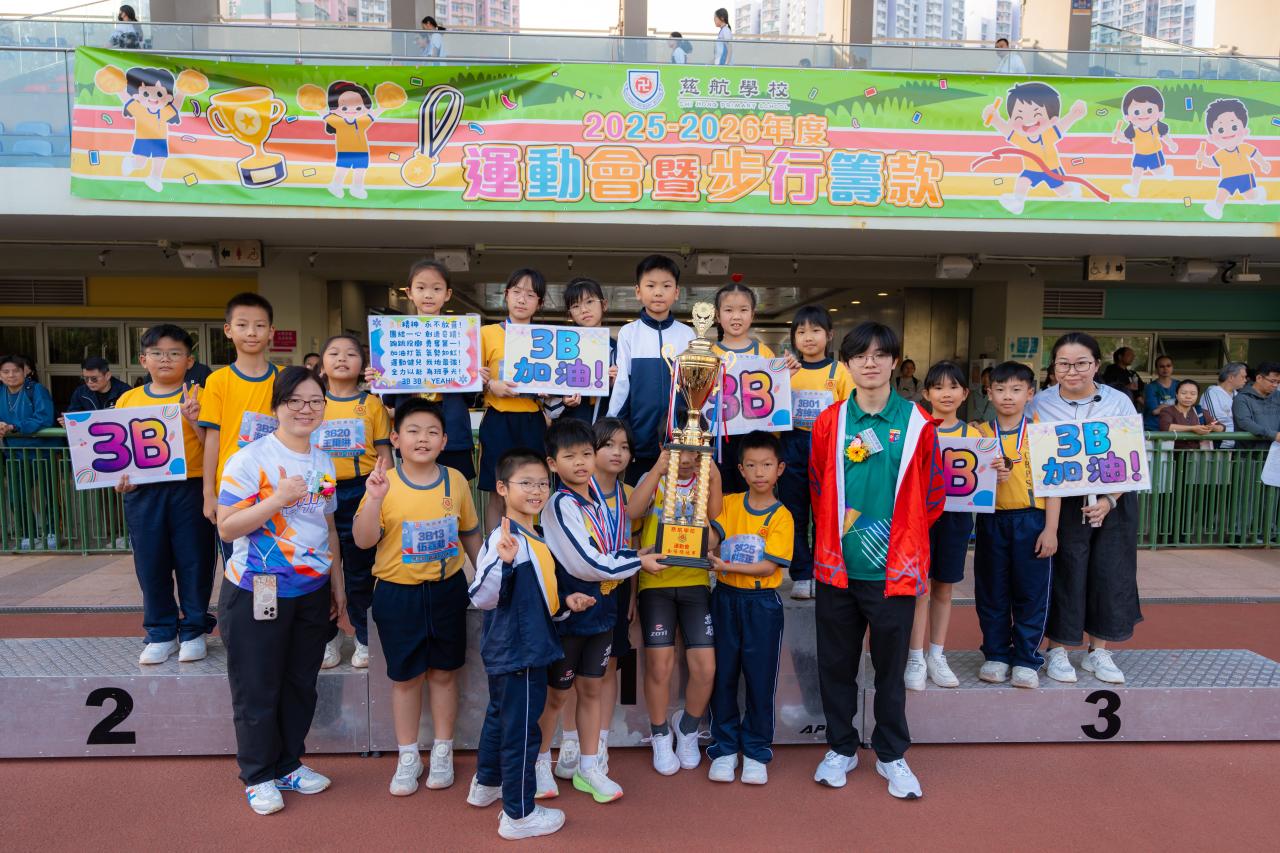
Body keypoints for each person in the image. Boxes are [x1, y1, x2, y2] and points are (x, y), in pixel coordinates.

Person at [809, 321, 943, 799]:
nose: (870, 362)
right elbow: (818, 485)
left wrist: (901, 538)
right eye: (860, 355)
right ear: (846, 363)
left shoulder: (918, 422)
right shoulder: (829, 422)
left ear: (894, 362)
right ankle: (840, 747)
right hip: (838, 568)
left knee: (890, 669)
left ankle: (891, 754)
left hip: (893, 570)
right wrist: (841, 538)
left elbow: (933, 494)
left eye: (880, 354)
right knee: (836, 665)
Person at [215, 366, 345, 816]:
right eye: (296, 401)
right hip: (258, 587)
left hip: (311, 589)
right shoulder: (250, 459)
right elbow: (227, 525)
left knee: (300, 683)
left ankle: (289, 764)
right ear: (277, 407)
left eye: (315, 401)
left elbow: (327, 525)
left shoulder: (323, 460)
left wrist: (337, 584)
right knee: (257, 685)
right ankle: (258, 775)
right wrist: (276, 499)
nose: (306, 410)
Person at [353, 398, 481, 797]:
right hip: (397, 593)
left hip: (446, 590)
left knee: (444, 673)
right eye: (413, 431)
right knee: (406, 678)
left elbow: (470, 532)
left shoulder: (456, 481)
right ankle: (408, 756)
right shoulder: (383, 483)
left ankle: (442, 750)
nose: (422, 439)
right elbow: (363, 540)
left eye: (431, 432)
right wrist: (375, 498)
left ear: (444, 441)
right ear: (395, 439)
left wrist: (485, 578)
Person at [468, 449, 594, 840]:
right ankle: (519, 814)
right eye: (526, 483)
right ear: (502, 488)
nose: (536, 490)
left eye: (542, 483)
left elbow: (540, 596)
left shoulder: (533, 535)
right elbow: (482, 596)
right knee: (522, 731)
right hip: (519, 651)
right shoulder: (504, 539)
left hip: (521, 646)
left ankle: (486, 784)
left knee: (500, 716)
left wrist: (566, 604)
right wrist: (503, 563)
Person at [537, 419, 658, 802]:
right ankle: (539, 764)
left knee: (592, 688)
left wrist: (635, 553)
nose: (580, 462)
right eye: (570, 456)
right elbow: (587, 563)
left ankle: (589, 768)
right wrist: (638, 562)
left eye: (586, 454)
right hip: (570, 613)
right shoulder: (559, 505)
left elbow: (606, 550)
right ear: (552, 464)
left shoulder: (598, 500)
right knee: (557, 694)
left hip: (603, 609)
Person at [1031, 332, 1141, 685]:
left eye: (1081, 363)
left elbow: (1133, 456)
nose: (1072, 371)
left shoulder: (1119, 402)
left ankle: (1099, 651)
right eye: (1063, 364)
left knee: (1110, 572)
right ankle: (1058, 649)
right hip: (1062, 503)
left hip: (1113, 500)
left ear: (1096, 365)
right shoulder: (1040, 403)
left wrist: (1110, 501)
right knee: (1065, 572)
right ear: (1053, 367)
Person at [114, 325, 214, 665]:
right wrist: (119, 480)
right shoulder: (129, 399)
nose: (165, 359)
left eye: (174, 353)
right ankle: (160, 632)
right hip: (143, 491)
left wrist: (195, 420)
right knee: (150, 563)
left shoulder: (202, 395)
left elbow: (213, 446)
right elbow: (118, 453)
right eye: (157, 353)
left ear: (190, 360)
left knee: (194, 560)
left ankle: (195, 630)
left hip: (192, 486)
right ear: (143, 360)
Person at [705, 430, 793, 785]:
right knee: (723, 675)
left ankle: (756, 751)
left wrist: (726, 565)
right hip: (725, 599)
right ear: (740, 469)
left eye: (767, 465)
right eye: (752, 465)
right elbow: (712, 536)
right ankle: (725, 748)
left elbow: (769, 567)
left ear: (780, 468)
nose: (759, 472)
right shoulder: (728, 504)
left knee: (760, 678)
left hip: (762, 605)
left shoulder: (782, 516)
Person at [631, 446, 722, 776]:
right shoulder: (652, 477)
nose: (685, 461)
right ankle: (659, 733)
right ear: (664, 449)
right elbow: (632, 511)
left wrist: (711, 474)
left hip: (695, 582)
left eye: (695, 453)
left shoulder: (706, 478)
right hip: (655, 583)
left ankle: (687, 728)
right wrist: (658, 469)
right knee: (659, 665)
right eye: (679, 451)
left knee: (706, 668)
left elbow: (714, 532)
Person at [974, 362, 1060, 689]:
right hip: (991, 520)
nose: (1007, 396)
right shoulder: (979, 434)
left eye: (1016, 390)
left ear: (1030, 394)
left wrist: (1051, 529)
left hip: (1032, 520)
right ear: (989, 393)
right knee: (991, 590)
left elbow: (1054, 485)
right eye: (1000, 389)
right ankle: (996, 654)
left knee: (1031, 592)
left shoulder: (1042, 433)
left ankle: (1027, 658)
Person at [316, 335, 393, 670]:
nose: (342, 358)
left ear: (363, 365)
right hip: (320, 486)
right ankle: (328, 636)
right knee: (321, 565)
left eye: (351, 354)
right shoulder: (314, 401)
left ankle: (363, 636)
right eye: (334, 353)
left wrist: (385, 492)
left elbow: (384, 453)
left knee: (361, 569)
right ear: (322, 363)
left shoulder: (372, 404)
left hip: (363, 488)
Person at [369, 259, 480, 482]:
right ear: (409, 292)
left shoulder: (462, 334)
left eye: (436, 289)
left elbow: (470, 396)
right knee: (414, 487)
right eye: (421, 288)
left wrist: (476, 376)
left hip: (452, 429)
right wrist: (380, 376)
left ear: (447, 294)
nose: (428, 295)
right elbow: (390, 399)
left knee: (455, 487)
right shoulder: (394, 334)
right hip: (411, 425)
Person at [780, 306, 855, 600]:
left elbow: (851, 412)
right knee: (794, 513)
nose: (808, 337)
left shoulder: (840, 372)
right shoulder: (787, 372)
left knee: (826, 515)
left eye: (815, 330)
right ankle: (801, 574)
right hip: (791, 446)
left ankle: (825, 571)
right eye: (801, 332)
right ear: (794, 338)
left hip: (828, 449)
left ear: (829, 335)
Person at [199, 293, 279, 562]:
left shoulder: (284, 378)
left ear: (271, 332)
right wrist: (209, 493)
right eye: (242, 325)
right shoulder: (218, 381)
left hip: (277, 484)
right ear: (228, 330)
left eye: (260, 325)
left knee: (279, 561)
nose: (252, 332)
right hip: (233, 487)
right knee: (239, 567)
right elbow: (213, 440)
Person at [905, 361, 971, 691]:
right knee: (919, 588)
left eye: (953, 387)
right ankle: (915, 657)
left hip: (956, 519)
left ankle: (937, 654)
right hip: (918, 518)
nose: (946, 393)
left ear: (965, 394)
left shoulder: (975, 435)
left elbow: (988, 477)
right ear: (926, 393)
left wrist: (998, 469)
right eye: (939, 387)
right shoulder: (915, 428)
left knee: (944, 587)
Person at [607, 254, 694, 485]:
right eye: (651, 285)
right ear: (638, 291)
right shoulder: (629, 333)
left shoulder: (688, 334)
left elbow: (694, 388)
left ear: (677, 292)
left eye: (666, 286)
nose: (658, 292)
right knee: (638, 498)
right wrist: (613, 426)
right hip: (639, 440)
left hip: (680, 439)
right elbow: (622, 385)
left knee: (677, 499)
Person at [479, 268, 548, 533]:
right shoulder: (486, 334)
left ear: (539, 302)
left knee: (533, 489)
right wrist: (489, 384)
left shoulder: (548, 337)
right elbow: (470, 378)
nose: (522, 299)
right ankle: (495, 547)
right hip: (498, 419)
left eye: (530, 295)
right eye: (516, 292)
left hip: (533, 421)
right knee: (498, 491)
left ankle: (531, 545)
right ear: (506, 295)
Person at [712, 280, 774, 494]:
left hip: (756, 439)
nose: (736, 316)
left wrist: (786, 376)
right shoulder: (710, 354)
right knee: (723, 493)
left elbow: (776, 394)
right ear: (717, 316)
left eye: (743, 310)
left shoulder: (763, 353)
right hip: (721, 441)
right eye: (729, 310)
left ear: (753, 315)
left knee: (755, 493)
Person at [0, 354, 57, 549]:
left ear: (24, 372)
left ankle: (53, 532)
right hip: (15, 453)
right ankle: (28, 534)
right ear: (0, 375)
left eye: (15, 371)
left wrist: (14, 427)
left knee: (49, 493)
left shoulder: (36, 389)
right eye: (6, 372)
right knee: (17, 496)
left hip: (43, 451)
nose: (11, 375)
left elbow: (44, 418)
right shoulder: (0, 392)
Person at [544, 276, 617, 426]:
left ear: (604, 305)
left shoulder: (617, 349)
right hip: (570, 431)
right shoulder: (560, 349)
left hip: (605, 432)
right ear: (570, 313)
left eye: (589, 302)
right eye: (576, 306)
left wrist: (617, 383)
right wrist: (564, 402)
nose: (584, 310)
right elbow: (548, 408)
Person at [1112, 85, 1177, 198]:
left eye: (1149, 110)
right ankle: (1134, 188)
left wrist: (1171, 144)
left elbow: (1164, 136)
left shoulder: (1155, 128)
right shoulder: (1135, 131)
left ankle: (1166, 171)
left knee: (1157, 172)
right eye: (1137, 112)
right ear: (1127, 117)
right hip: (1140, 154)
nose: (1143, 115)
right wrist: (1119, 135)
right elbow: (1126, 139)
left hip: (1154, 154)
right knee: (1137, 170)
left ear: (1160, 113)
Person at [1159, 379, 1224, 450]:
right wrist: (1193, 428)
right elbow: (1166, 427)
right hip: (1173, 454)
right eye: (1184, 393)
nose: (1188, 396)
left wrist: (1212, 427)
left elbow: (1222, 427)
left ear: (1197, 396)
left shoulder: (1200, 411)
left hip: (1196, 455)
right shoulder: (1167, 410)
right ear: (1176, 395)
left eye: (1193, 394)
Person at [1232, 361, 1280, 448]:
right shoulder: (1241, 398)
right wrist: (1274, 435)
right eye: (1272, 381)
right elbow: (1245, 423)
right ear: (1259, 378)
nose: (1275, 385)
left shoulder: (1278, 396)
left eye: (1278, 382)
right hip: (1249, 454)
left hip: (1275, 452)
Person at [1201, 362, 1247, 447]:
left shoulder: (1239, 395)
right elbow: (1216, 421)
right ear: (1231, 377)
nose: (1245, 380)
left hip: (1238, 445)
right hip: (1221, 445)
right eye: (1243, 377)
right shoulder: (1212, 392)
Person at [65, 356, 130, 414]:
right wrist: (68, 420)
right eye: (86, 378)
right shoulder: (81, 392)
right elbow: (73, 415)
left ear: (107, 376)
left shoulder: (126, 392)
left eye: (94, 378)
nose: (89, 382)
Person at [1143, 355, 1178, 431]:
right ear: (1156, 369)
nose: (1165, 369)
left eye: (1168, 366)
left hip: (1174, 427)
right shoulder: (1150, 387)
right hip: (1153, 428)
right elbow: (1155, 411)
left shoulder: (1179, 385)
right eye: (1162, 366)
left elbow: (1184, 408)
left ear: (1172, 367)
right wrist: (1174, 406)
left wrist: (1162, 407)